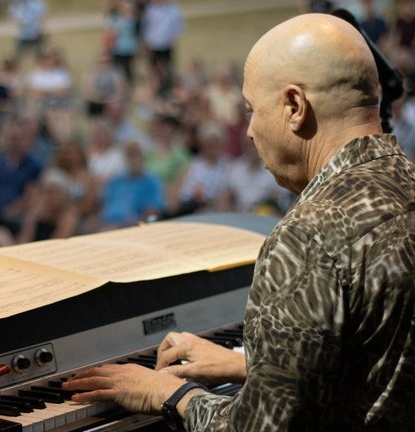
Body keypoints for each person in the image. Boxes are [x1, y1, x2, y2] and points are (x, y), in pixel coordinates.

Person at [63, 13, 415, 430]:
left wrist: (169, 395)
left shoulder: (307, 236)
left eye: (252, 110)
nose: (248, 131)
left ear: (295, 106)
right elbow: (379, 361)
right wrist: (252, 365)